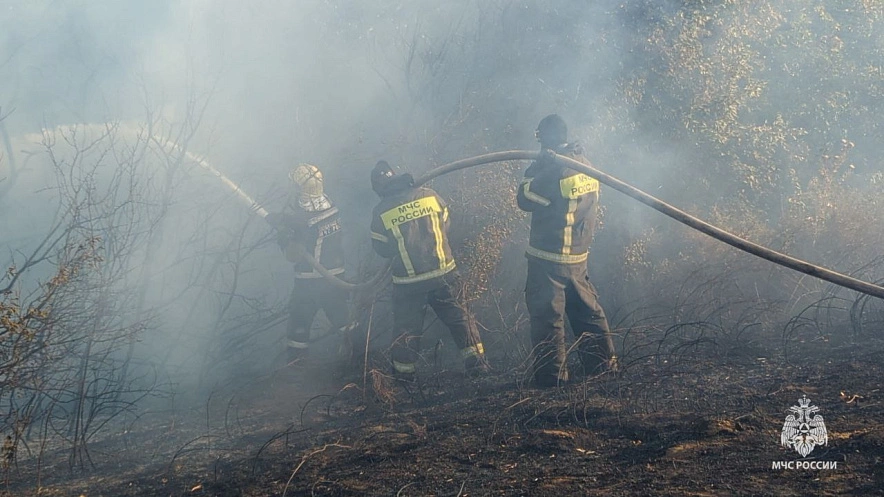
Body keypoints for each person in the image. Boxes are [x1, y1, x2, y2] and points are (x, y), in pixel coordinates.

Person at [516, 114, 617, 387]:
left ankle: (553, 381)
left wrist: (537, 168)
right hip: (578, 257)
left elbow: (524, 197)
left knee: (547, 319)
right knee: (587, 312)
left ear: (544, 138)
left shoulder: (554, 173)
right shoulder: (585, 164)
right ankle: (603, 368)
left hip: (548, 262)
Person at [369, 160, 489, 380]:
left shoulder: (381, 211)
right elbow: (446, 223)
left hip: (409, 284)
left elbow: (382, 249)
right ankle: (477, 365)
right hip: (444, 274)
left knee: (407, 330)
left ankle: (404, 377)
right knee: (460, 319)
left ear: (378, 187)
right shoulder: (429, 195)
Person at [265, 163, 356, 366]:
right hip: (336, 277)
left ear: (300, 188)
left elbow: (293, 255)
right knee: (343, 319)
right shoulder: (331, 207)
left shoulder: (302, 221)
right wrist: (286, 220)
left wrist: (283, 236)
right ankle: (359, 357)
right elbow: (307, 218)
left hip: (310, 281)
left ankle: (297, 368)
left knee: (299, 324)